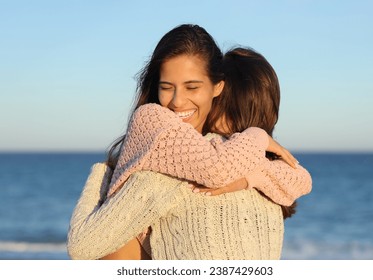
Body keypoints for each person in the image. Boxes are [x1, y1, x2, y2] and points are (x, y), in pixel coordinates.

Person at [67, 24, 311, 260]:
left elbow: (81, 246)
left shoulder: (171, 172)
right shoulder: (269, 187)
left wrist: (103, 173)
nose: (177, 102)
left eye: (193, 87)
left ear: (218, 91)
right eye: (167, 87)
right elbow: (301, 179)